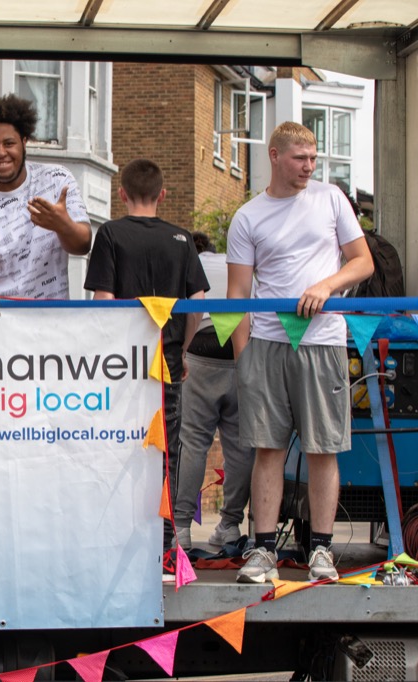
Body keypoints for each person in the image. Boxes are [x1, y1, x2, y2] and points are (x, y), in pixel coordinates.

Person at [227, 122, 374, 584]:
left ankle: (322, 551)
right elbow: (237, 295)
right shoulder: (248, 215)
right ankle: (263, 550)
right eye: (300, 158)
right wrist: (244, 358)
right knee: (267, 449)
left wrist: (326, 285)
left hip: (323, 341)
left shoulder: (332, 199)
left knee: (323, 449)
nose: (309, 166)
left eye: (313, 158)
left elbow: (363, 260)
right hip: (267, 343)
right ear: (274, 155)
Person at [84, 158, 208, 552]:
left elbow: (104, 301)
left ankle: (116, 535)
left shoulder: (110, 234)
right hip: (166, 366)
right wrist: (183, 350)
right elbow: (197, 304)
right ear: (162, 195)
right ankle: (165, 541)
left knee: (117, 446)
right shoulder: (182, 238)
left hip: (122, 367)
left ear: (121, 193)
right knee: (165, 450)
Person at [0, 94, 92, 299]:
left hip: (52, 317)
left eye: (9, 143)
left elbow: (83, 245)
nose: (1, 152)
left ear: (24, 142)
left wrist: (63, 225)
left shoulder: (57, 180)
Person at [173, 232, 253, 551]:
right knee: (240, 446)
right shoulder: (232, 262)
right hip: (241, 349)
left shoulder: (188, 262)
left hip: (200, 349)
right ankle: (230, 525)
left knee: (192, 442)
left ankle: (181, 528)